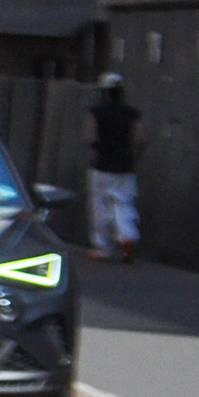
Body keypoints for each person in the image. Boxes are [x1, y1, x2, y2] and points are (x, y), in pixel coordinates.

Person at [85, 73, 143, 262]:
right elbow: (141, 140)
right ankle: (127, 237)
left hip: (101, 166)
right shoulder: (131, 113)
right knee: (124, 204)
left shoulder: (96, 112)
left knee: (100, 207)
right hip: (125, 167)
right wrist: (134, 158)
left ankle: (102, 248)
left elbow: (90, 137)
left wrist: (97, 150)